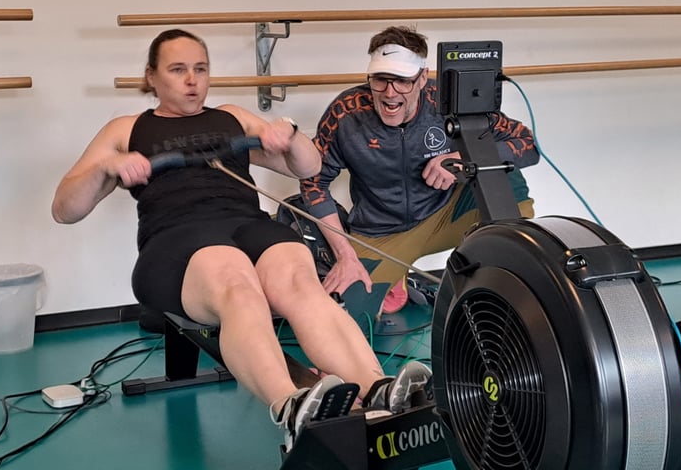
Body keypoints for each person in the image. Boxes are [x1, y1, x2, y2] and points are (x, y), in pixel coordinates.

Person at [51, 28, 430, 450]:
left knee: (299, 280)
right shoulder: (127, 129)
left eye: (201, 69)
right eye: (178, 70)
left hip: (247, 225)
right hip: (175, 239)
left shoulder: (230, 116)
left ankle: (377, 387)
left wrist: (287, 136)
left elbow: (308, 167)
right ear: (151, 76)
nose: (192, 80)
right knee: (235, 280)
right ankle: (290, 405)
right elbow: (65, 210)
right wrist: (108, 167)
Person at [300, 26, 539, 313]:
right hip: (383, 231)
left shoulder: (448, 101)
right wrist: (345, 256)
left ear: (423, 78)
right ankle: (396, 274)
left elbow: (527, 144)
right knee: (345, 314)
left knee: (504, 175)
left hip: (446, 213)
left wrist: (462, 160)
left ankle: (495, 274)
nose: (390, 93)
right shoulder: (346, 112)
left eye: (403, 81)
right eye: (381, 80)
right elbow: (313, 183)